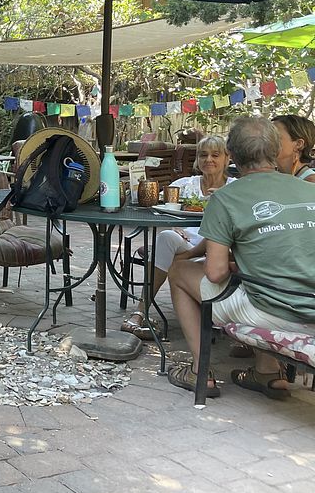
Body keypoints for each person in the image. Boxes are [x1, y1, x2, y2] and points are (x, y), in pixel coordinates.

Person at [166, 117, 315, 400]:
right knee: (256, 280)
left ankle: (200, 371)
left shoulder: (225, 198)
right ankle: (267, 373)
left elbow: (215, 273)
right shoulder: (311, 189)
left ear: (231, 155)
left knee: (179, 271)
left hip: (275, 312)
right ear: (275, 151)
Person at [121, 135, 233, 339]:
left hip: (219, 249)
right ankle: (140, 312)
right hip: (186, 243)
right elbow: (159, 207)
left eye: (215, 155)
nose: (208, 159)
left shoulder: (235, 189)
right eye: (203, 155)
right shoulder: (184, 184)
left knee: (167, 250)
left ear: (227, 158)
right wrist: (173, 225)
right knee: (166, 237)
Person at [272, 114, 315, 183]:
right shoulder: (270, 176)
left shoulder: (311, 182)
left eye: (274, 137)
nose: (266, 140)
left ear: (298, 144)